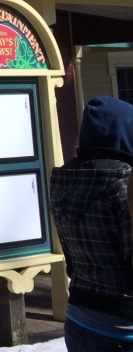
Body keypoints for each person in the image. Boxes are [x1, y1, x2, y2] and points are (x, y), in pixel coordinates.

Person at [50, 96, 133, 352]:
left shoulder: (63, 182)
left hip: (78, 315)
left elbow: (71, 261)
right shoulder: (123, 186)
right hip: (121, 324)